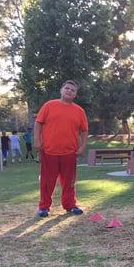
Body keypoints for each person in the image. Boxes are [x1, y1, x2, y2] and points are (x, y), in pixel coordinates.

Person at [34, 80, 88, 218]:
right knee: (47, 182)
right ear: (61, 90)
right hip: (49, 151)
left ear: (75, 95)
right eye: (67, 88)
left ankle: (70, 205)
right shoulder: (49, 105)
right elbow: (38, 123)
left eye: (73, 90)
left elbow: (84, 131)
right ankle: (44, 207)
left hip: (70, 152)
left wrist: (82, 147)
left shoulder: (79, 111)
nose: (69, 91)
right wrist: (37, 141)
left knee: (69, 182)